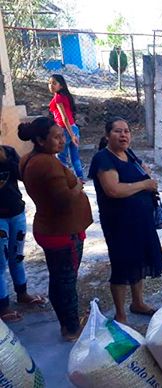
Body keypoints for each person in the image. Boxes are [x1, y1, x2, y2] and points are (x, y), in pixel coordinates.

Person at [18, 117, 92, 341]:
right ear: (40, 140)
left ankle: (66, 322)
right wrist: (77, 186)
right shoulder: (46, 163)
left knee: (59, 278)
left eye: (62, 135)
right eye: (57, 137)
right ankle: (71, 329)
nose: (62, 141)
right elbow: (63, 201)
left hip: (51, 228)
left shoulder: (29, 159)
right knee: (66, 282)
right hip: (62, 232)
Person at [88, 117, 162, 324]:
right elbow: (113, 190)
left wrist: (145, 177)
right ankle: (120, 314)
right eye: (117, 131)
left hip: (140, 220)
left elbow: (142, 170)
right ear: (107, 135)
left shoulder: (128, 154)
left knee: (139, 261)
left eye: (127, 131)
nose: (123, 135)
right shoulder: (103, 159)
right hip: (119, 223)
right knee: (122, 265)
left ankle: (138, 303)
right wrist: (144, 184)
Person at [0, 145, 48, 323]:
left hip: (16, 213)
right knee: (0, 262)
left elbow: (22, 175)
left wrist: (7, 160)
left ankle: (22, 293)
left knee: (17, 257)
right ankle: (3, 306)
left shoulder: (9, 152)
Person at [48, 74, 84, 180]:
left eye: (54, 83)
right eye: (49, 83)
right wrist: (73, 133)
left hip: (65, 130)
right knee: (74, 156)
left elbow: (64, 118)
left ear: (61, 86)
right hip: (73, 128)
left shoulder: (58, 98)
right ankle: (80, 177)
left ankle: (64, 178)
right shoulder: (65, 96)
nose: (51, 85)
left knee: (61, 156)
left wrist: (71, 135)